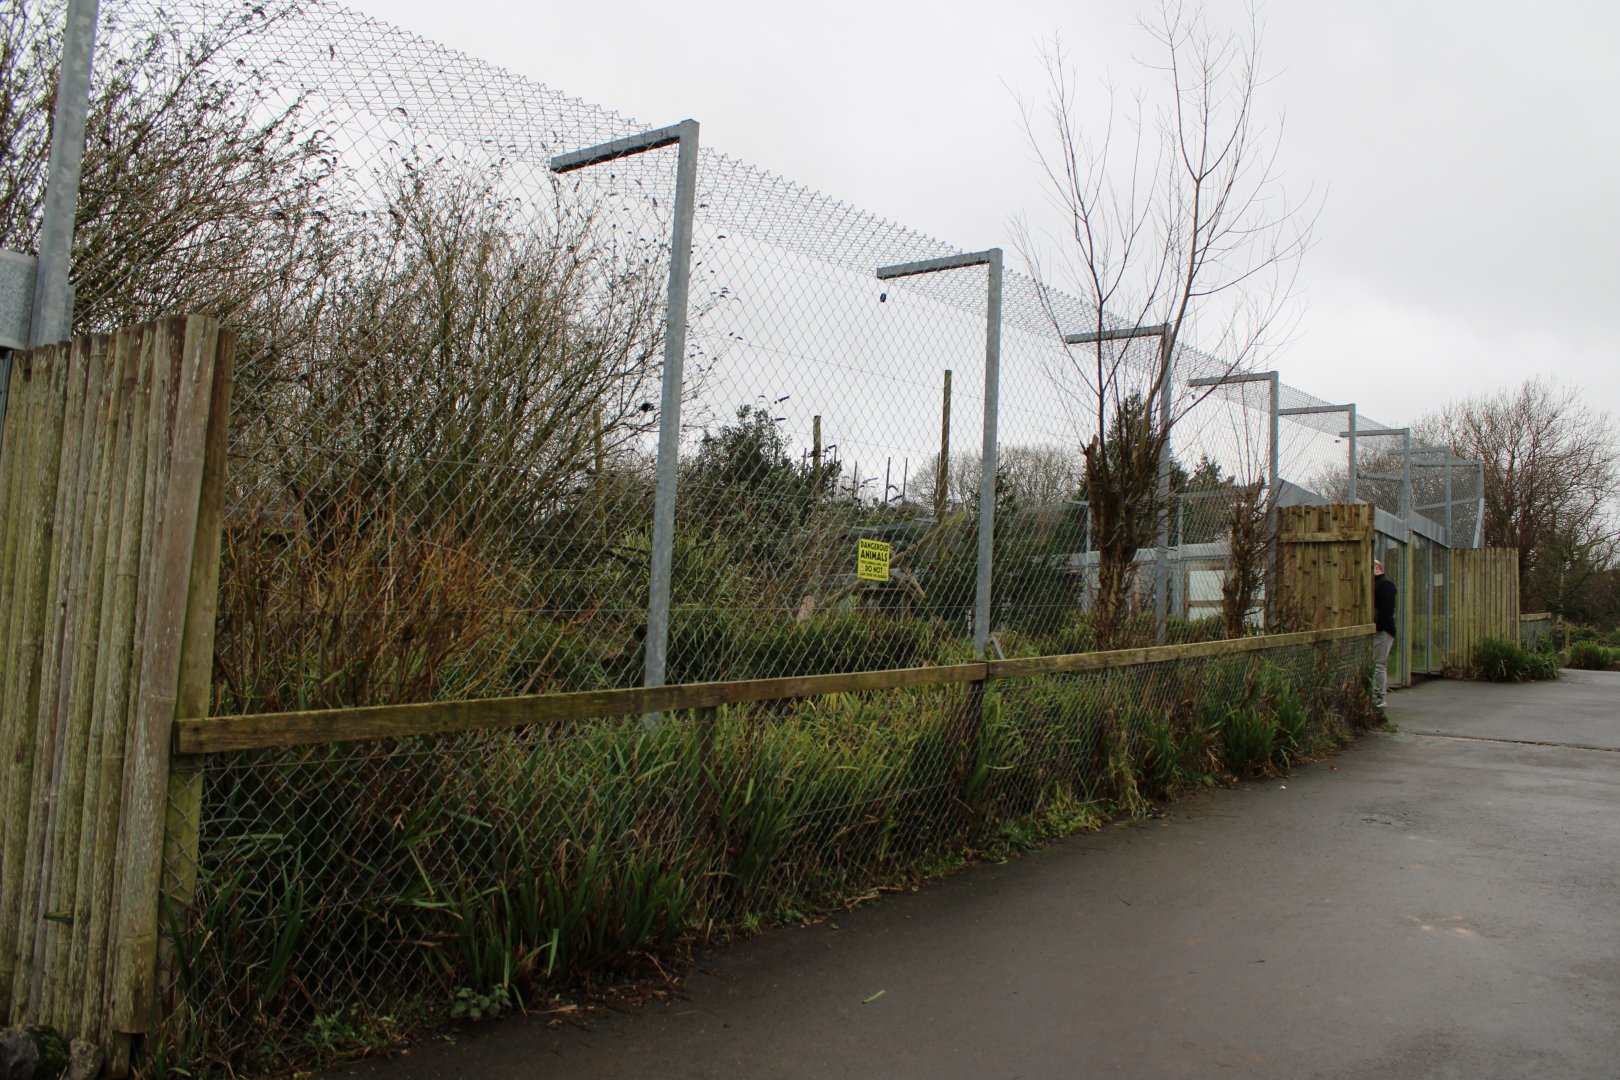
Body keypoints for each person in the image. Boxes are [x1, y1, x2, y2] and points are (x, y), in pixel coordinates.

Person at [1372, 558, 1397, 707]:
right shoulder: (1378, 586)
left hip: (1383, 631)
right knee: (1377, 664)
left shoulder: (1385, 586)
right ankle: (1377, 696)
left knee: (1379, 664)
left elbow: (1386, 611)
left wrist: (1378, 625)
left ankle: (1379, 697)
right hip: (1380, 630)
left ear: (1378, 569)